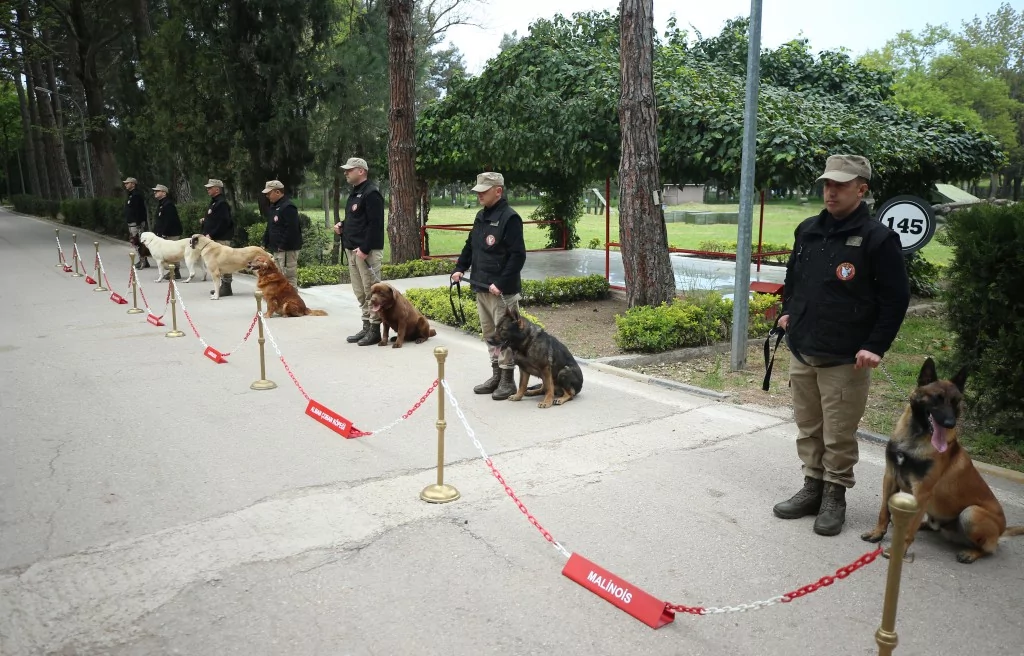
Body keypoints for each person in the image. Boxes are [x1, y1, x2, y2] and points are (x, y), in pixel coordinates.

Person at [773, 154, 910, 536]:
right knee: (808, 426)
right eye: (827, 184)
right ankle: (812, 487)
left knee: (838, 432)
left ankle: (835, 496)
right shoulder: (808, 230)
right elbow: (794, 279)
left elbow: (896, 298)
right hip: (804, 348)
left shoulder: (878, 239)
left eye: (840, 185)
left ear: (861, 189)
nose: (830, 191)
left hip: (846, 356)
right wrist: (788, 312)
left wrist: (876, 345)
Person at [451, 171, 526, 400]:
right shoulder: (481, 216)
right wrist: (460, 267)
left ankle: (507, 380)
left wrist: (501, 283)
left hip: (501, 292)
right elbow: (471, 246)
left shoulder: (510, 218)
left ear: (498, 191)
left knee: (506, 335)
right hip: (481, 286)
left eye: (484, 191)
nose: (479, 195)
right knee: (490, 334)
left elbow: (518, 256)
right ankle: (496, 375)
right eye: (478, 191)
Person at [334, 157, 385, 346]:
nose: (346, 173)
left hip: (366, 252)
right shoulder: (355, 193)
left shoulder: (371, 193)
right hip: (353, 250)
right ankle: (366, 325)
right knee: (360, 292)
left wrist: (365, 248)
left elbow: (375, 224)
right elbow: (357, 220)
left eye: (349, 170)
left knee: (372, 292)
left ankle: (375, 329)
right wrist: (342, 225)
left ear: (361, 171)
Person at [261, 180, 302, 288]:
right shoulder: (274, 207)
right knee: (279, 277)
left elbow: (292, 229)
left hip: (287, 249)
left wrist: (282, 246)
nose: (267, 196)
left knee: (288, 277)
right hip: (277, 248)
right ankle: (282, 298)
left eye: (269, 193)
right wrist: (265, 242)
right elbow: (270, 226)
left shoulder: (288, 207)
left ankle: (292, 298)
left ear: (277, 192)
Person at [203, 178, 235, 297]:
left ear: (217, 189)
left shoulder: (222, 203)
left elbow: (224, 222)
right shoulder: (214, 202)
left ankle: (227, 286)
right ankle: (222, 285)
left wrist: (211, 234)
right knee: (219, 262)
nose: (208, 189)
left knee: (225, 261)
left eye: (210, 188)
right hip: (215, 237)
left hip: (221, 237)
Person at [152, 184, 183, 280]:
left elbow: (169, 221)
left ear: (164, 193)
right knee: (168, 253)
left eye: (158, 191)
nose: (155, 192)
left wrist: (164, 233)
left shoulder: (168, 204)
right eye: (155, 191)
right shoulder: (162, 204)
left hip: (171, 233)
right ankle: (173, 271)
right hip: (166, 232)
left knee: (172, 253)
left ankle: (175, 271)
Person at [123, 177, 149, 270]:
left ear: (133, 184)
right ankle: (143, 259)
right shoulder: (131, 195)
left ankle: (143, 261)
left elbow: (139, 210)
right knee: (136, 242)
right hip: (131, 222)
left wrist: (139, 223)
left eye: (128, 183)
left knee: (138, 242)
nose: (125, 185)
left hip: (136, 223)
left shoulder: (136, 195)